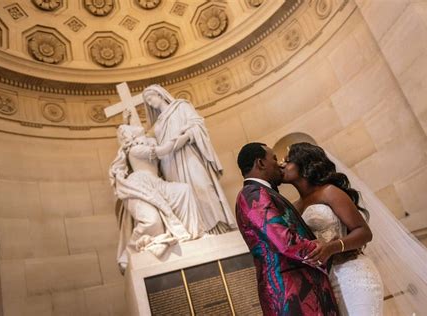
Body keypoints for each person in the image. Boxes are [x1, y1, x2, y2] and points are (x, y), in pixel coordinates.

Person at [235, 142, 339, 316]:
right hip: (291, 293)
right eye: (274, 159)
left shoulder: (262, 192)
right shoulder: (252, 194)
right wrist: (323, 247)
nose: (280, 164)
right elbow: (284, 241)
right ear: (260, 163)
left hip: (302, 288)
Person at [281, 142, 383, 315]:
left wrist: (331, 247)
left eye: (288, 161)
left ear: (303, 163)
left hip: (353, 274)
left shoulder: (329, 192)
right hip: (324, 283)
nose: (282, 165)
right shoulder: (294, 208)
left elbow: (364, 232)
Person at [109, 110, 205, 272]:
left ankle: (195, 233)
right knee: (152, 222)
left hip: (158, 184)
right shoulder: (135, 149)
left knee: (184, 190)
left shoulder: (148, 142)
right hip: (139, 185)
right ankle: (129, 254)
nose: (137, 128)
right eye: (132, 129)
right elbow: (162, 151)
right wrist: (185, 136)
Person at [143, 84, 237, 234]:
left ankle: (219, 230)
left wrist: (184, 137)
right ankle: (197, 232)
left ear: (159, 94)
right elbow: (143, 139)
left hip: (188, 154)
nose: (149, 103)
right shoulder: (158, 124)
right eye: (147, 101)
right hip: (170, 164)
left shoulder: (181, 106)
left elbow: (198, 124)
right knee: (184, 198)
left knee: (203, 187)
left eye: (150, 98)